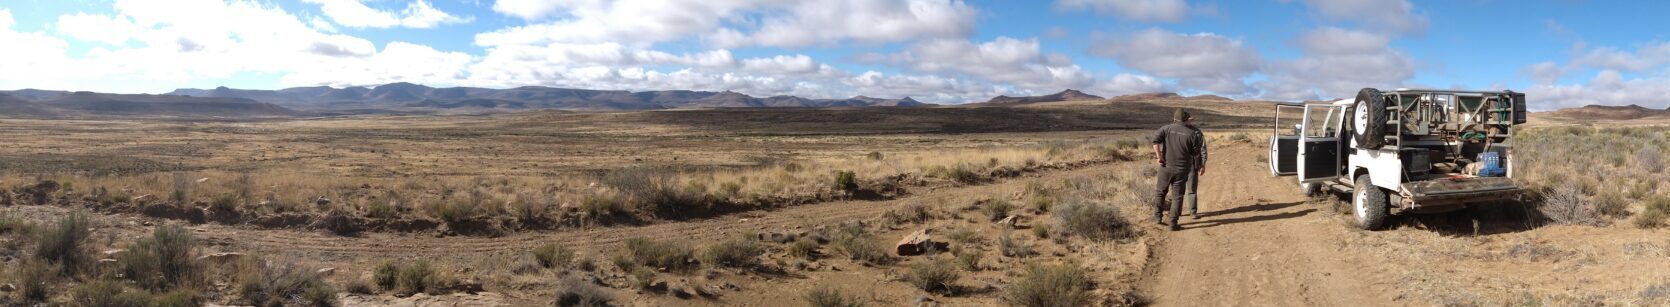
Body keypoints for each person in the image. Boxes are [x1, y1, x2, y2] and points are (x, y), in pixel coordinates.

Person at [1150, 108, 1207, 231]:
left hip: (1165, 167)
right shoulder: (1192, 133)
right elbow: (1195, 152)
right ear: (1186, 119)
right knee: (1177, 196)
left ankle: (1157, 217)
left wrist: (1159, 157)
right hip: (1181, 170)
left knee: (1160, 192)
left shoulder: (1165, 129)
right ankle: (1172, 223)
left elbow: (1155, 142)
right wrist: (1199, 163)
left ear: (1174, 119)